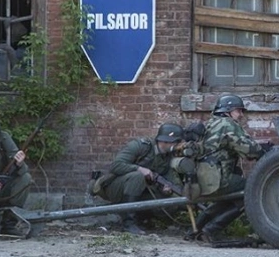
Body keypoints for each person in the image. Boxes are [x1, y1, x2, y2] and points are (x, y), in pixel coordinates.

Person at [191, 94, 268, 242]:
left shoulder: (211, 123)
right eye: (238, 111)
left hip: (203, 178)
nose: (241, 115)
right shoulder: (228, 124)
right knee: (253, 189)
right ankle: (211, 229)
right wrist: (265, 150)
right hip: (217, 179)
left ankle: (197, 228)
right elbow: (249, 150)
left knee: (232, 196)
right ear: (227, 111)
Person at [90, 122, 184, 234]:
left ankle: (142, 219)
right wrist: (139, 169)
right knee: (138, 176)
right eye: (176, 142)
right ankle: (128, 223)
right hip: (114, 187)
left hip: (140, 190)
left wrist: (166, 190)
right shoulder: (141, 146)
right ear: (165, 141)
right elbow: (116, 166)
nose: (177, 145)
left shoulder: (167, 158)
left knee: (168, 202)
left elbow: (168, 180)